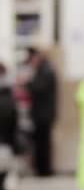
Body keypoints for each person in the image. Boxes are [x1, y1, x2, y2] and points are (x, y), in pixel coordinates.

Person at [23, 47, 57, 177]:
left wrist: (27, 83)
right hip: (42, 113)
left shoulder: (46, 70)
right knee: (41, 142)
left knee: (43, 143)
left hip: (44, 114)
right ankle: (41, 169)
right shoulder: (43, 69)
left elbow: (39, 87)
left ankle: (44, 170)